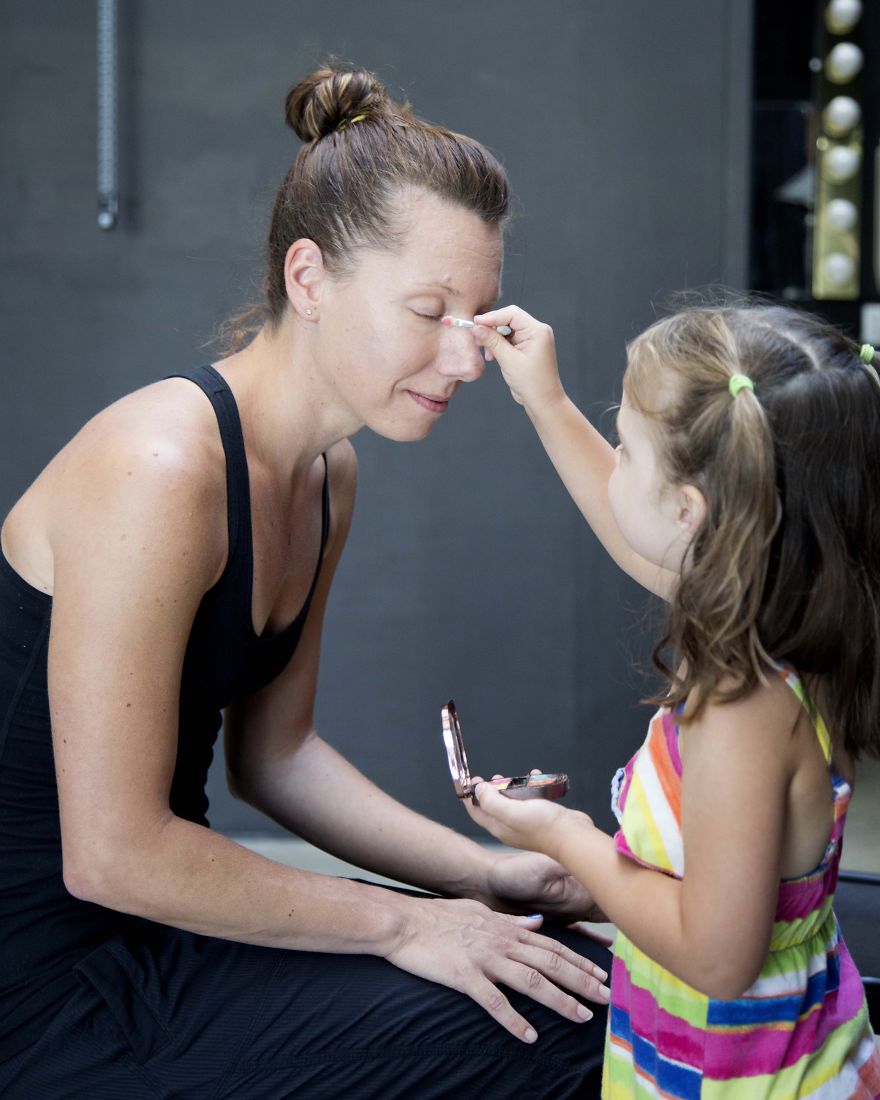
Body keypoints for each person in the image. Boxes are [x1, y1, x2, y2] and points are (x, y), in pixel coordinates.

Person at [0, 68, 612, 1098]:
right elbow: (108, 853)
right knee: (568, 1031)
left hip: (162, 927)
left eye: (480, 314)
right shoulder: (160, 466)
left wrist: (488, 873)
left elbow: (275, 758)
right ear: (309, 277)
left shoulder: (329, 471)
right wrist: (409, 920)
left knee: (582, 970)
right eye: (428, 309)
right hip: (54, 984)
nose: (464, 357)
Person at [463, 300, 880, 1097]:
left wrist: (566, 841)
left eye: (624, 450)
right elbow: (635, 531)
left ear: (691, 513)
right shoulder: (795, 615)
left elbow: (719, 957)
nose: (615, 465)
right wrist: (543, 400)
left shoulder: (739, 708)